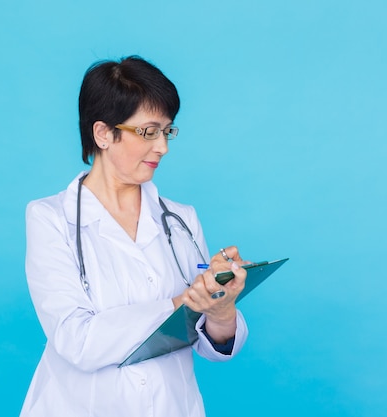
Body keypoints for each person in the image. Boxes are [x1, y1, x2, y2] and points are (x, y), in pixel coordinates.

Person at [20, 56, 249, 417]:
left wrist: (220, 306)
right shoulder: (50, 218)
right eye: (148, 131)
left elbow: (209, 343)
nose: (163, 147)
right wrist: (184, 301)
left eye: (168, 131)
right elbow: (76, 341)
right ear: (103, 134)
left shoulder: (182, 220)